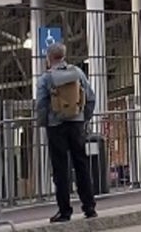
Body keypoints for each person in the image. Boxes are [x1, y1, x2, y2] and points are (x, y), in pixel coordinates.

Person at [35, 43, 97, 223]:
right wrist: (83, 117)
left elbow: (41, 105)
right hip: (76, 124)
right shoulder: (77, 72)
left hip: (56, 127)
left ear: (49, 58)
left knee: (60, 169)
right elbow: (91, 97)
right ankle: (89, 207)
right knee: (81, 165)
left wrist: (44, 123)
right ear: (63, 56)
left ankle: (64, 211)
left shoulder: (46, 78)